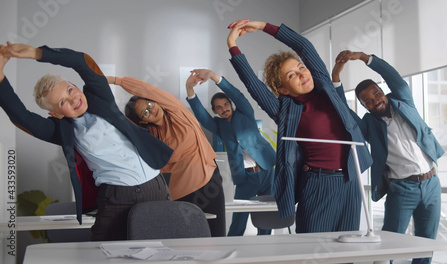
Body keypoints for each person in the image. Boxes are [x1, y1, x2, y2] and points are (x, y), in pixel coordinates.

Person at [0, 43, 173, 241]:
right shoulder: (63, 131)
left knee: (161, 252)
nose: (73, 100)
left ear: (75, 86)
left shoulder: (101, 98)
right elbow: (23, 118)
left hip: (156, 188)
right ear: (56, 113)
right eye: (62, 102)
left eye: (70, 90)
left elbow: (83, 62)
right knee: (102, 254)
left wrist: (36, 53)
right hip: (117, 196)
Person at [226, 19, 372, 233]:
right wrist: (232, 44)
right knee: (312, 248)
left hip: (352, 178)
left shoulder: (324, 86)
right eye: (291, 75)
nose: (302, 74)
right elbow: (253, 85)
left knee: (348, 249)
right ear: (283, 89)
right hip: (318, 183)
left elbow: (304, 46)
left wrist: (263, 26)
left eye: (301, 67)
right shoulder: (285, 112)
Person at [333, 50, 444, 264]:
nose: (376, 101)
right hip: (402, 189)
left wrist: (364, 57)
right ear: (364, 106)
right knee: (390, 246)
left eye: (376, 94)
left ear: (382, 91)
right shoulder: (368, 126)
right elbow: (343, 112)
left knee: (426, 245)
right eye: (368, 101)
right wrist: (336, 77)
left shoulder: (404, 102)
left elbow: (394, 77)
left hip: (432, 184)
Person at [107, 75, 226, 237]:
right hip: (178, 195)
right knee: (182, 243)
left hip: (207, 185)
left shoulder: (177, 112)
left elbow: (148, 90)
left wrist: (116, 80)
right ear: (142, 121)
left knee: (215, 237)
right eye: (145, 113)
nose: (152, 109)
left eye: (150, 103)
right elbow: (125, 127)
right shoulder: (151, 136)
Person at [185, 69, 276, 236]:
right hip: (244, 177)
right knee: (238, 220)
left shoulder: (246, 113)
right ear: (215, 112)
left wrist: (213, 77)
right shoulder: (219, 126)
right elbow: (201, 116)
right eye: (219, 108)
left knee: (265, 219)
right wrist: (189, 90)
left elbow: (238, 95)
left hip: (266, 171)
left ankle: (265, 248)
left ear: (231, 104)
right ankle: (232, 249)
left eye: (226, 104)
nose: (224, 109)